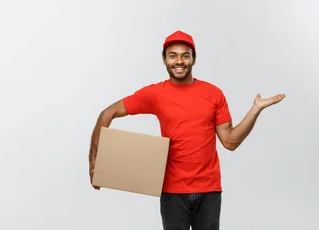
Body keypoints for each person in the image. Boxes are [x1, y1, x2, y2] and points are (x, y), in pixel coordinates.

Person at [88, 30, 285, 230]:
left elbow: (230, 141)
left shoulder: (213, 94)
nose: (179, 61)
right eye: (173, 56)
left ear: (194, 59)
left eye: (185, 55)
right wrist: (94, 161)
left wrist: (255, 110)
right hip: (172, 192)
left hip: (209, 191)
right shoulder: (156, 94)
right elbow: (108, 113)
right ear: (164, 60)